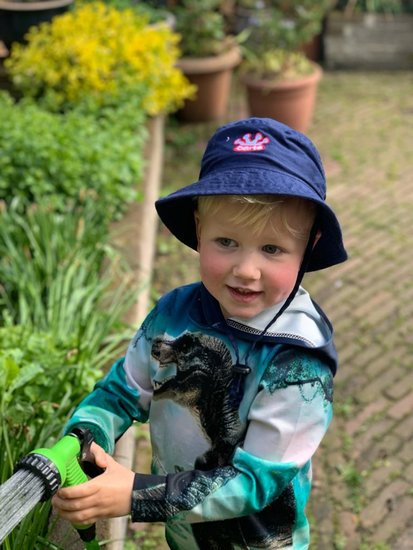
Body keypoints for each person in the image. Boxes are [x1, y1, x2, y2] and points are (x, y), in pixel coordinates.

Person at [52, 117, 347, 549]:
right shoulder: (174, 312)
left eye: (272, 249)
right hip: (186, 535)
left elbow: (254, 483)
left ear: (309, 246)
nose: (245, 270)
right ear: (198, 228)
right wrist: (82, 439)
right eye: (226, 242)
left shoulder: (298, 361)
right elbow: (120, 392)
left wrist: (137, 494)